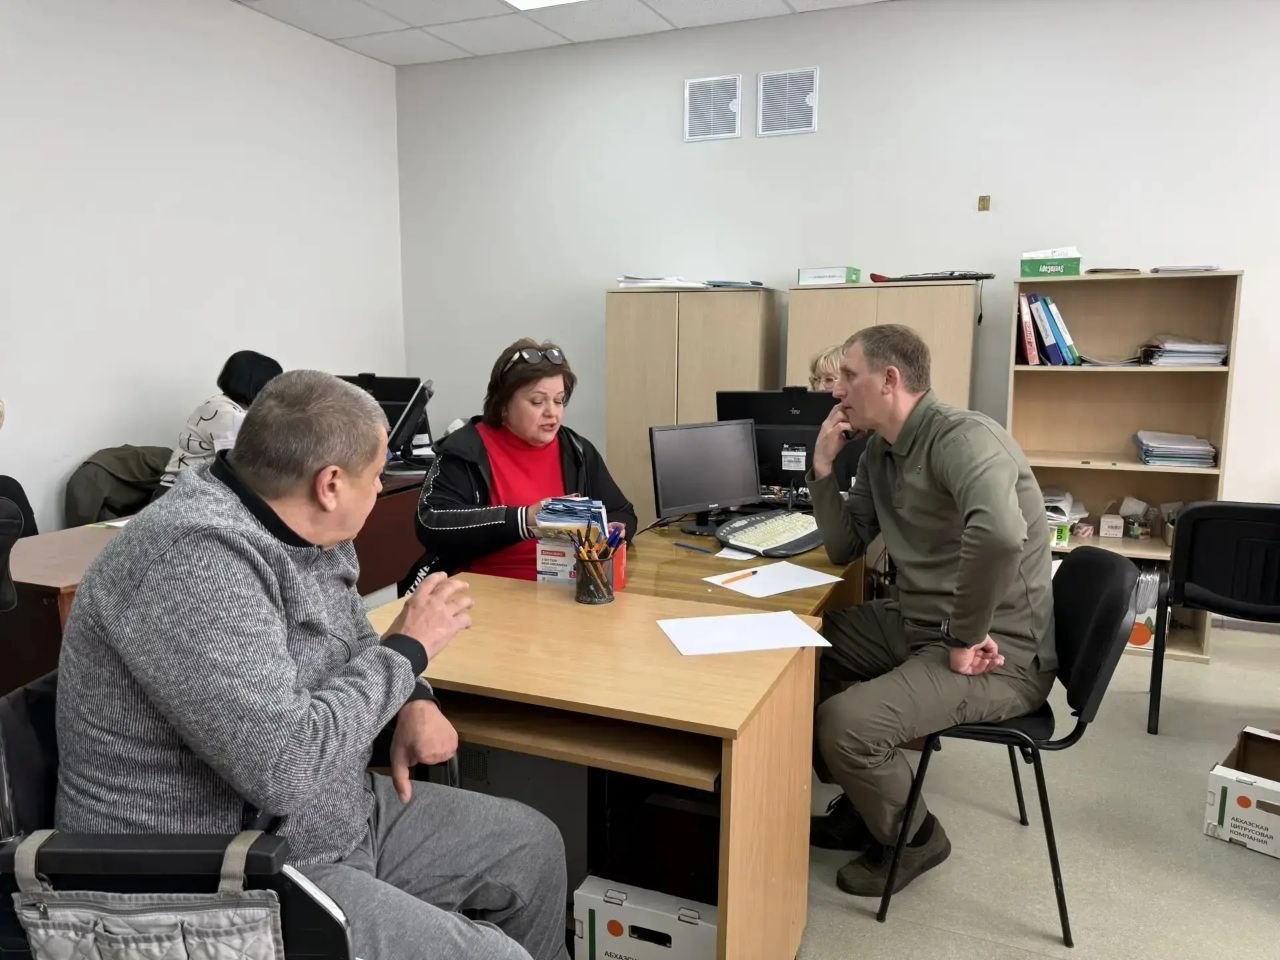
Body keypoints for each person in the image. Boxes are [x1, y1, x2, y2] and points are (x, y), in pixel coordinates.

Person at [56, 370, 569, 960]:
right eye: (377, 476)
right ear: (330, 484)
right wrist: (409, 651)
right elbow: (285, 770)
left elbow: (351, 637)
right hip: (225, 870)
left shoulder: (305, 528)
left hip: (331, 817)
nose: (380, 490)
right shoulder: (192, 561)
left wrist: (413, 696)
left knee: (532, 848)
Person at [806, 324, 1056, 898]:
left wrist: (966, 636)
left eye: (849, 376)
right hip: (920, 623)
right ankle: (865, 803)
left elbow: (1000, 536)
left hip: (998, 652)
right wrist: (823, 468)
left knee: (844, 724)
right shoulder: (880, 451)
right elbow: (845, 547)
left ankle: (915, 837)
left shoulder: (964, 439)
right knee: (800, 651)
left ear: (889, 380)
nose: (837, 390)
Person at [412, 339, 637, 582]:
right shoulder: (464, 449)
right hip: (484, 589)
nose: (552, 412)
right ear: (503, 404)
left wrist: (611, 531)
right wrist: (526, 518)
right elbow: (431, 521)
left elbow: (622, 511)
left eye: (559, 400)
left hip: (568, 588)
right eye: (537, 402)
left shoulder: (577, 450)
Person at [155, 350, 283, 494]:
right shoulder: (230, 416)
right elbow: (235, 468)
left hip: (176, 488)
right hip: (184, 493)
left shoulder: (217, 404)